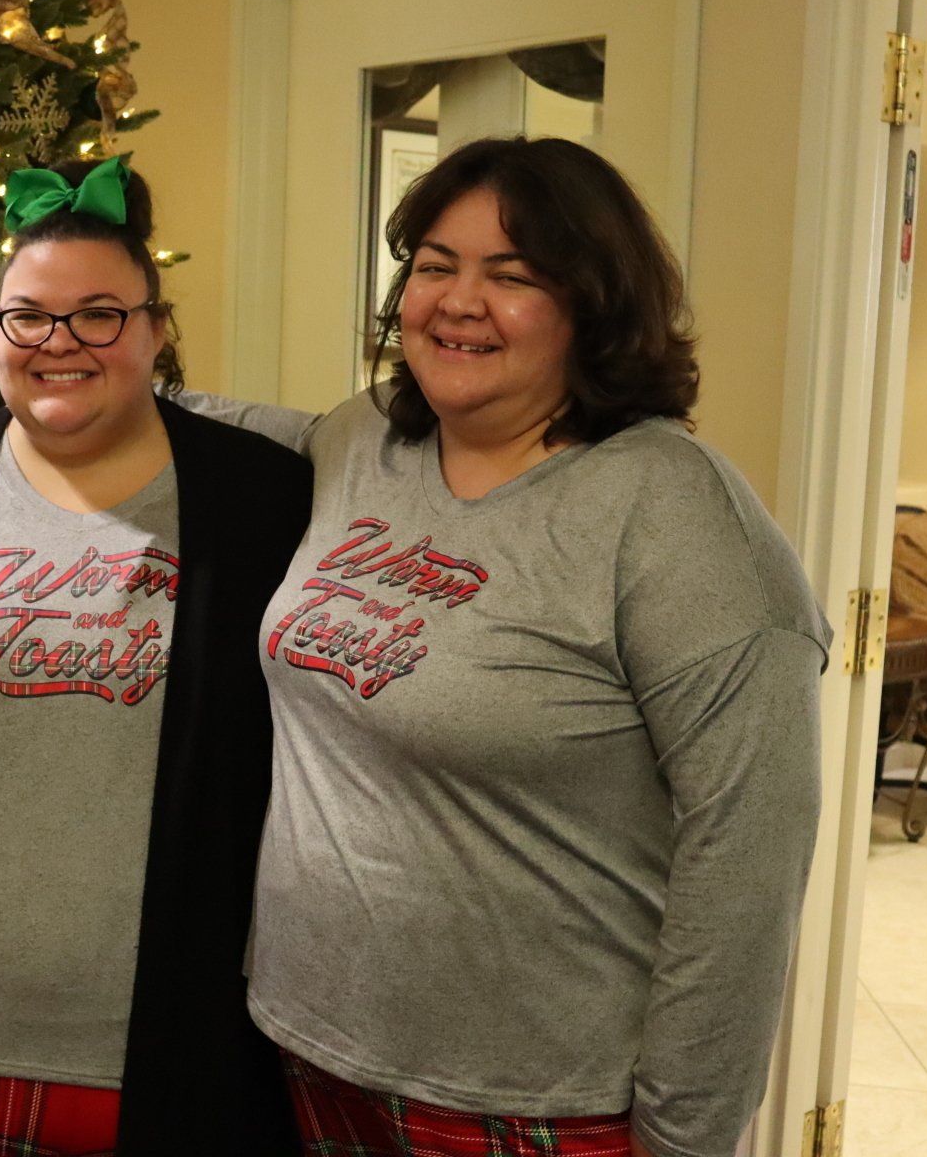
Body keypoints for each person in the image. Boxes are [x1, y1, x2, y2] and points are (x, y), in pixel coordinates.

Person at [192, 135, 829, 1157]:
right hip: (310, 1048)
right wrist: (95, 365)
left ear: (595, 305)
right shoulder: (365, 441)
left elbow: (746, 865)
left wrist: (684, 1135)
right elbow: (242, 428)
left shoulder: (676, 517)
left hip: (539, 1105)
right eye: (435, 265)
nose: (456, 300)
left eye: (513, 275)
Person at [0, 157, 310, 1156]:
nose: (59, 343)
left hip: (184, 1051)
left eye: (100, 314)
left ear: (157, 329)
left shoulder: (266, 507)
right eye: (27, 315)